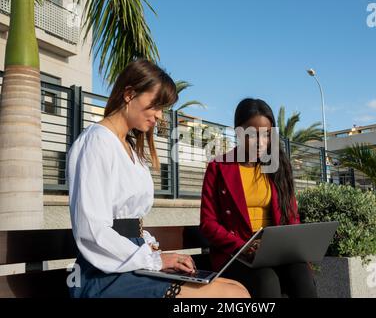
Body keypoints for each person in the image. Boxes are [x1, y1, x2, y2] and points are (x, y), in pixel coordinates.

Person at [67, 59, 249, 298]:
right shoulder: (96, 141)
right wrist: (154, 259)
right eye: (155, 105)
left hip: (132, 262)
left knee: (237, 288)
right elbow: (92, 231)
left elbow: (132, 223)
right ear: (130, 94)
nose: (160, 116)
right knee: (231, 296)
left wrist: (154, 253)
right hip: (103, 273)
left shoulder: (130, 148)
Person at [200, 98, 317, 298]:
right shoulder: (219, 168)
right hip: (235, 253)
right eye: (252, 135)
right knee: (266, 279)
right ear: (238, 131)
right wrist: (243, 247)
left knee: (301, 274)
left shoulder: (278, 167)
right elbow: (208, 224)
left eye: (266, 135)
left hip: (276, 251)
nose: (261, 142)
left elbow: (291, 217)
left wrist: (294, 247)